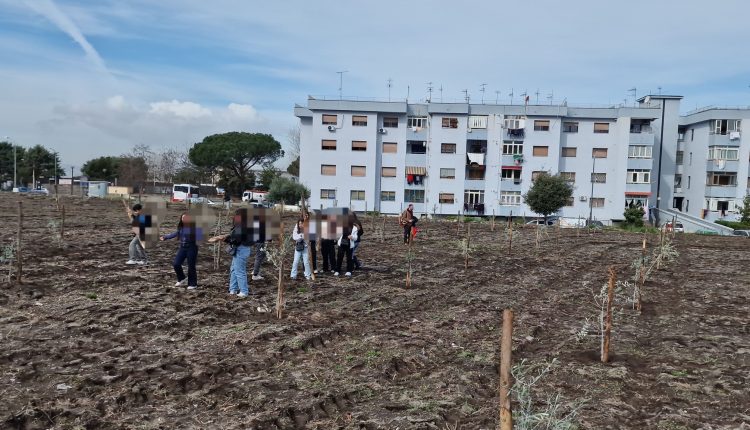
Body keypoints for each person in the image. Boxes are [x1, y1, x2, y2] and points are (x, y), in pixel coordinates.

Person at [209, 208, 255, 298]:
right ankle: (233, 289)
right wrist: (226, 237)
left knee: (239, 271)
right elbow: (235, 236)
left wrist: (224, 239)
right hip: (241, 249)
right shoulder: (244, 225)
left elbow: (236, 239)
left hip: (241, 249)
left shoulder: (243, 226)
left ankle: (244, 291)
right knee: (234, 269)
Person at [160, 213, 201, 290]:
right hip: (182, 248)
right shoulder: (181, 228)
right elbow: (175, 233)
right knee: (176, 264)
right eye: (183, 218)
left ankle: (193, 284)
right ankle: (182, 278)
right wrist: (165, 237)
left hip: (192, 248)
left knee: (191, 266)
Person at [302, 210, 319, 274]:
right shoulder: (301, 222)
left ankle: (314, 268)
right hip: (304, 242)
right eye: (305, 215)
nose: (306, 216)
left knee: (313, 255)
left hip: (312, 241)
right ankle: (305, 269)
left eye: (307, 215)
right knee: (304, 256)